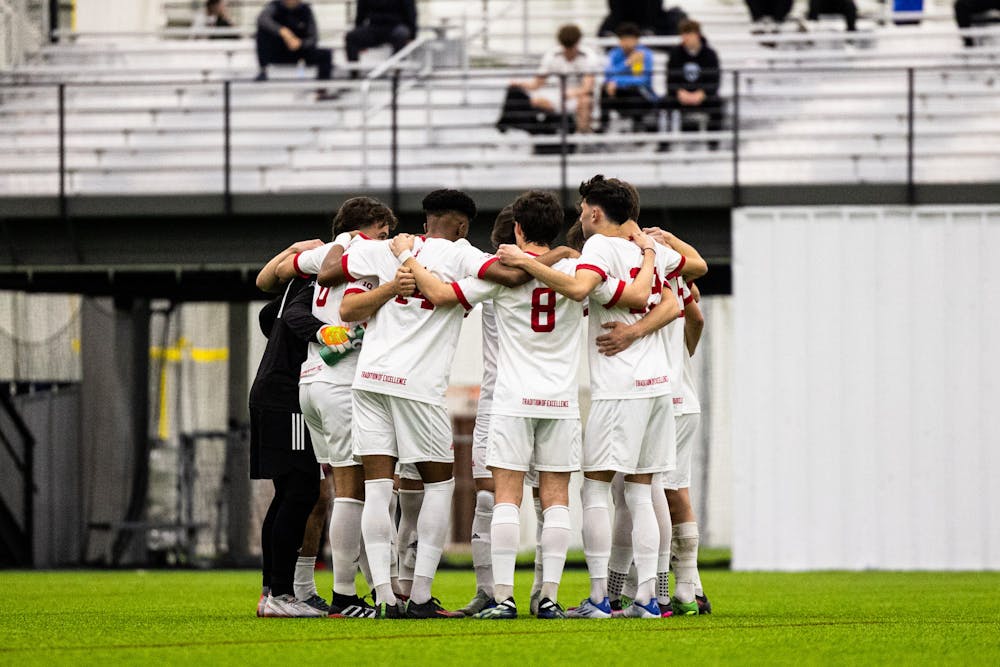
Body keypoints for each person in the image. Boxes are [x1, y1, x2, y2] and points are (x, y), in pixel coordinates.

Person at [329, 190, 572, 619]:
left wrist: (396, 260)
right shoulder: (463, 254)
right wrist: (560, 254)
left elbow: (334, 276)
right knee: (439, 485)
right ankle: (419, 595)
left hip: (369, 378)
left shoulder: (391, 247)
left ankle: (386, 597)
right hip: (419, 386)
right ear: (462, 226)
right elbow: (512, 277)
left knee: (378, 489)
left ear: (426, 220)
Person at [496, 176, 708, 618]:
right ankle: (650, 597)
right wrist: (651, 249)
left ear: (594, 212)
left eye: (581, 210)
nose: (579, 217)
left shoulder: (600, 249)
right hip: (659, 387)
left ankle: (598, 598)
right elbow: (683, 288)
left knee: (595, 489)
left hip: (621, 386)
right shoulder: (645, 251)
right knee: (642, 491)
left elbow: (575, 289)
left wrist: (525, 261)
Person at [275, 197, 413, 618]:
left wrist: (318, 249)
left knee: (342, 492)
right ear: (368, 227)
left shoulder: (327, 254)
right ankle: (346, 595)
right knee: (358, 494)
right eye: (383, 232)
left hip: (311, 381)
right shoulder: (364, 254)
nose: (386, 240)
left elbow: (276, 273)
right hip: (342, 384)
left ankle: (373, 588)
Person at [594, 227, 712, 617]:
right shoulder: (670, 274)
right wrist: (684, 355)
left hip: (653, 392)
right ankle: (680, 589)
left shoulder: (636, 273)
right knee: (664, 492)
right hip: (676, 392)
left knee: (640, 494)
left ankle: (649, 590)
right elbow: (695, 312)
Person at [250, 237, 329, 618]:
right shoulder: (318, 283)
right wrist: (331, 334)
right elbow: (294, 320)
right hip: (285, 397)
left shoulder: (299, 281)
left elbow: (267, 300)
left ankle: (272, 592)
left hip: (273, 391)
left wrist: (291, 248)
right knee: (301, 491)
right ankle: (281, 593)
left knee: (288, 494)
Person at [509, 24, 600, 134]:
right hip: (559, 95)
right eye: (566, 47)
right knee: (536, 101)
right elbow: (537, 83)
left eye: (571, 47)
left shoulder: (588, 56)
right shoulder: (552, 55)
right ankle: (544, 133)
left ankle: (583, 134)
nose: (569, 51)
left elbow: (587, 87)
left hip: (579, 95)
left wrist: (572, 93)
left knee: (585, 101)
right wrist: (519, 83)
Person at [663, 19, 723, 150]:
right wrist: (680, 92)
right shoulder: (675, 54)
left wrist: (702, 93)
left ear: (697, 35)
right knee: (664, 102)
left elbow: (715, 80)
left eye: (688, 34)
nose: (685, 38)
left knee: (717, 102)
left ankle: (713, 142)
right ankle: (664, 143)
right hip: (681, 95)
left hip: (702, 95)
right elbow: (670, 79)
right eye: (683, 35)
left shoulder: (710, 54)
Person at [599, 23, 658, 133]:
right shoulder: (614, 53)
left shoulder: (643, 54)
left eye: (629, 39)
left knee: (633, 89)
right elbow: (608, 75)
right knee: (604, 88)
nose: (626, 43)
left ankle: (638, 127)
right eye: (623, 39)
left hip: (641, 96)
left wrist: (617, 81)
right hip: (619, 95)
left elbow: (641, 80)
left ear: (636, 40)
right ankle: (603, 126)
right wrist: (627, 63)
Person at [255, 0, 333, 81]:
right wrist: (283, 32)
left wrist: (300, 43)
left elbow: (313, 38)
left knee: (325, 54)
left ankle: (322, 90)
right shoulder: (274, 6)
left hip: (299, 52)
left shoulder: (305, 10)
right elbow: (262, 19)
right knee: (263, 31)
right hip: (277, 51)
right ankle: (263, 70)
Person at [345, 0, 417, 77]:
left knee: (401, 34)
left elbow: (411, 13)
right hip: (374, 27)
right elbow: (360, 14)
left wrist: (412, 36)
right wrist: (360, 41)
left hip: (396, 26)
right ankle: (354, 75)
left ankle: (396, 73)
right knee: (351, 37)